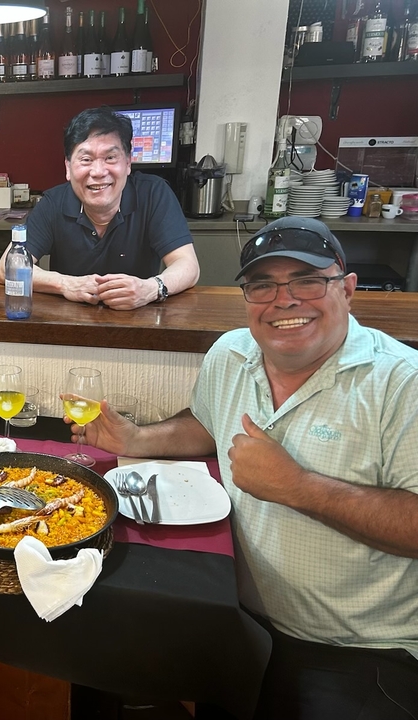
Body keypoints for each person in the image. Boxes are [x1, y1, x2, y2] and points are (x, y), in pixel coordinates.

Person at [73, 217, 418, 719]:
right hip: (238, 623)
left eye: (307, 280)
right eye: (263, 285)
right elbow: (206, 423)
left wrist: (299, 487)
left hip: (360, 649)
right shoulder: (232, 352)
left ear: (347, 289)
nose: (285, 300)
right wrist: (137, 438)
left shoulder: (401, 384)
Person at [0, 107, 200, 310]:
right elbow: (8, 269)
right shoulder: (53, 203)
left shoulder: (154, 194)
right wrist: (65, 284)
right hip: (71, 325)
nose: (99, 172)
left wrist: (151, 288)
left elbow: (188, 265)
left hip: (140, 321)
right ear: (68, 168)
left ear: (128, 162)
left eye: (110, 158)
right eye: (86, 159)